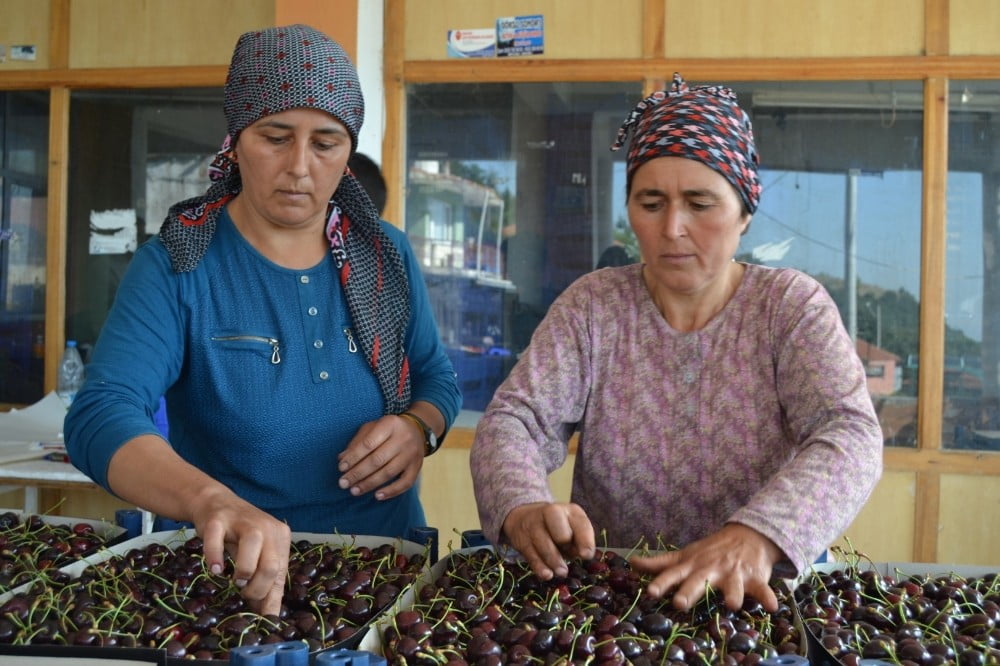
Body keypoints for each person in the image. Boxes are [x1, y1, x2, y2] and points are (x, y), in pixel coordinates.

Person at [65, 24, 461, 616]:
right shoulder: (180, 263)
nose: (299, 166)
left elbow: (436, 380)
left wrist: (419, 428)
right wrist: (208, 500)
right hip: (239, 582)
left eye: (326, 143)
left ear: (348, 152)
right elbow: (101, 414)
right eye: (275, 137)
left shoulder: (385, 254)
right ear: (236, 139)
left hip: (385, 571)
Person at [470, 73, 882, 613]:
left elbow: (849, 433)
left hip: (753, 597)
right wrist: (522, 503)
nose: (672, 228)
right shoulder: (594, 305)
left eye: (700, 203)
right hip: (615, 598)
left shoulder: (788, 307)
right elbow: (515, 421)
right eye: (651, 201)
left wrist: (757, 535)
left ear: (745, 213)